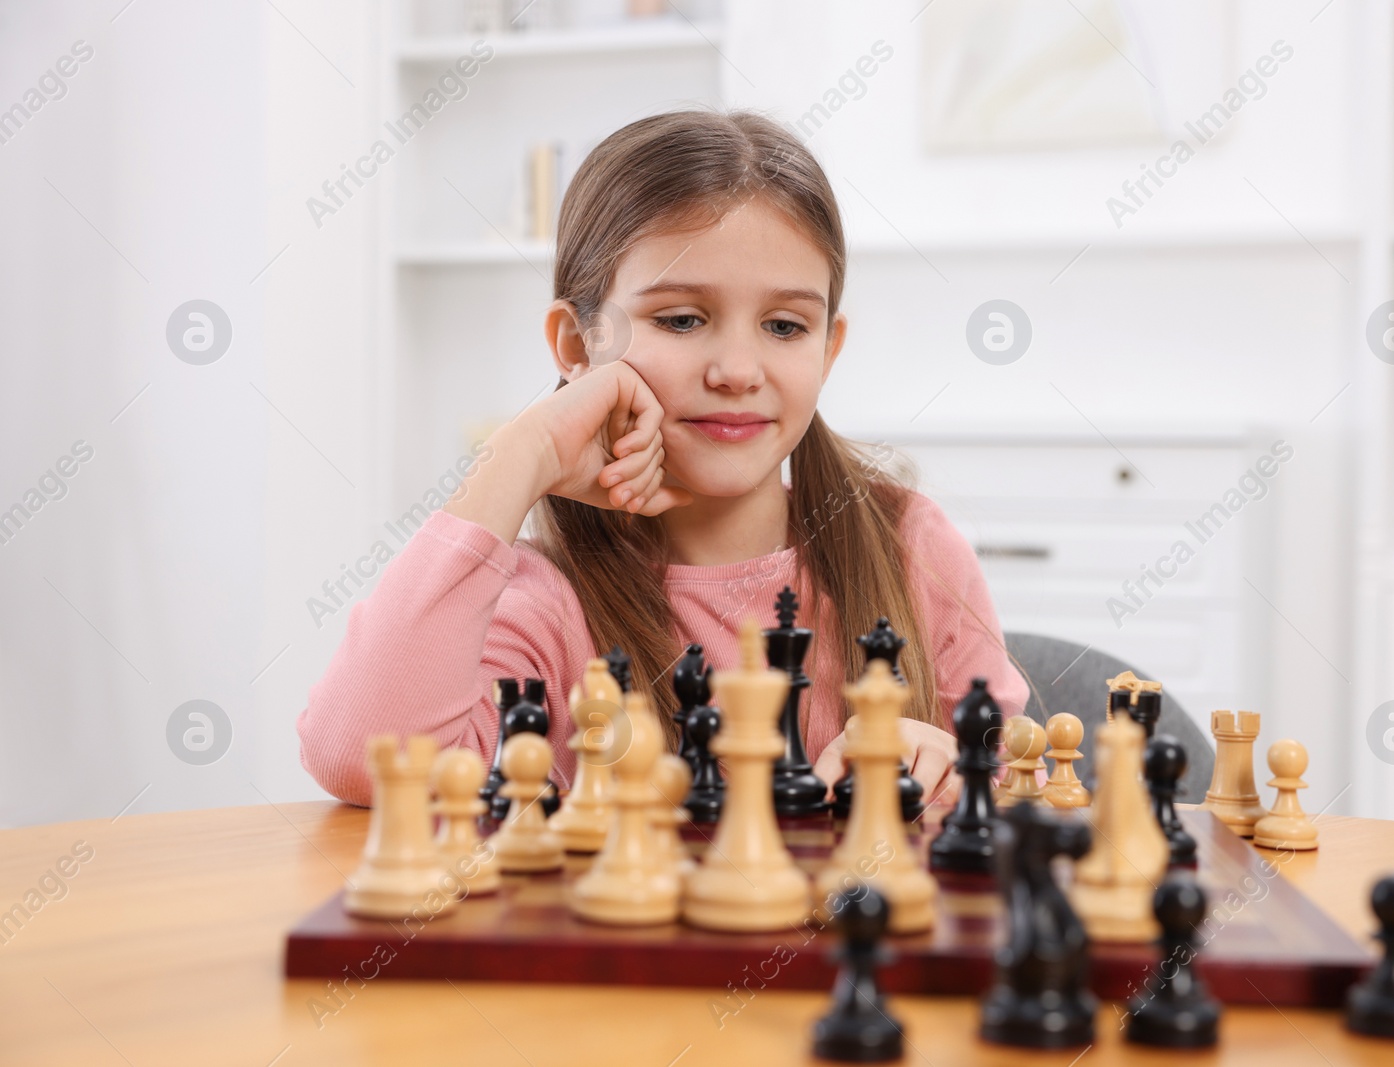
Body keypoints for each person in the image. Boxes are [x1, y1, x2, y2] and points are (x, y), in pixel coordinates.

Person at [296, 109, 1030, 807]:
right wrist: (523, 453)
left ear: (828, 348)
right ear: (578, 345)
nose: (738, 370)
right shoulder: (544, 604)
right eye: (681, 319)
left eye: (784, 324)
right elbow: (360, 755)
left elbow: (1021, 778)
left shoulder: (909, 546)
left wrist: (946, 765)